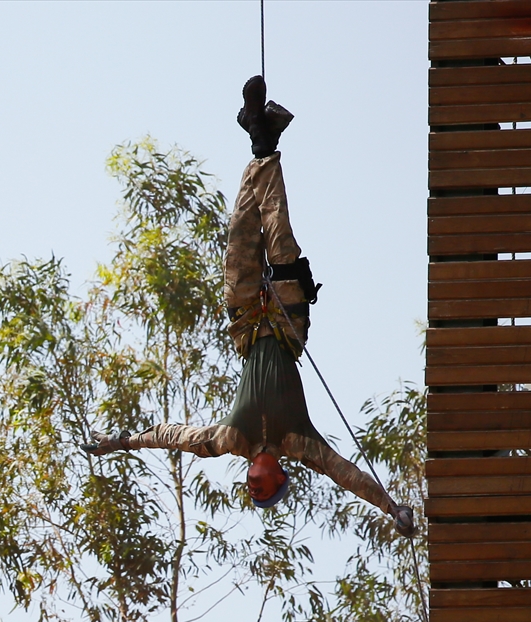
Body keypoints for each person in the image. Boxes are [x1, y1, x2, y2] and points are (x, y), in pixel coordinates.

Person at [87, 77, 414, 537]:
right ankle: (263, 141)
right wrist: (391, 507)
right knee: (276, 228)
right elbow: (348, 475)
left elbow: (170, 436)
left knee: (242, 222)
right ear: (281, 478)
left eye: (250, 493)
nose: (253, 490)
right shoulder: (300, 444)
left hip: (245, 320)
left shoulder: (228, 439)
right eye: (264, 492)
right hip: (285, 321)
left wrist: (121, 442)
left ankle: (261, 136)